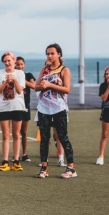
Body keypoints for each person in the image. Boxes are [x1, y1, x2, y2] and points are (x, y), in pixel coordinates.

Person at [34, 43, 77, 179]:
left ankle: (71, 168)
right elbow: (36, 87)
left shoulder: (64, 70)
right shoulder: (44, 70)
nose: (50, 56)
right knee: (44, 139)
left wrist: (50, 85)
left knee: (62, 137)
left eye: (52, 53)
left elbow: (67, 89)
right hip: (44, 108)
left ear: (59, 54)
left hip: (59, 108)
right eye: (48, 53)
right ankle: (44, 168)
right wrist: (42, 85)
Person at [0, 52, 27, 171]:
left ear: (14, 61)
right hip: (4, 107)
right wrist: (5, 83)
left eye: (9, 60)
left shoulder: (20, 73)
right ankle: (5, 161)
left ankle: (16, 161)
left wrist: (15, 80)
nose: (7, 63)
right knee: (5, 135)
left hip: (17, 106)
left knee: (16, 134)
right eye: (5, 61)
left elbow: (20, 90)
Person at [15, 56, 36, 163]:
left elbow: (33, 86)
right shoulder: (12, 76)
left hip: (25, 106)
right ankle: (16, 155)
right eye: (17, 64)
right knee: (16, 132)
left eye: (21, 64)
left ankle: (24, 154)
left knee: (23, 131)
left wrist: (23, 80)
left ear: (24, 65)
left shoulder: (28, 75)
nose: (19, 66)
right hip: (15, 106)